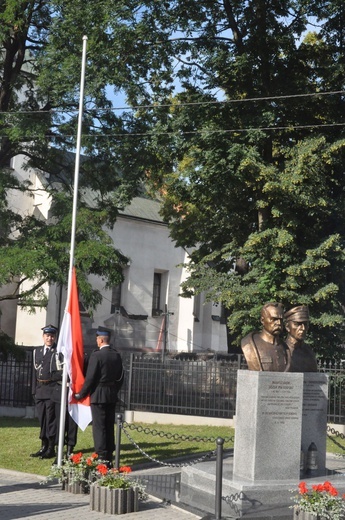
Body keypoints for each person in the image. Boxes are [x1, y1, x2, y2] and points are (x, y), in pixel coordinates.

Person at [74, 328, 124, 466]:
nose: (96, 341)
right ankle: (109, 453)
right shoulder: (116, 355)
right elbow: (120, 377)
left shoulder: (96, 356)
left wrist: (81, 394)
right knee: (109, 425)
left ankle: (101, 455)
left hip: (98, 394)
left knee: (99, 426)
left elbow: (90, 378)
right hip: (111, 394)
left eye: (97, 339)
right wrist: (113, 389)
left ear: (101, 340)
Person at [31, 324, 59, 459]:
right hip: (39, 390)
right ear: (43, 337)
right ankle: (43, 445)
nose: (49, 338)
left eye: (52, 336)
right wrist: (33, 391)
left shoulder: (57, 352)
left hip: (51, 390)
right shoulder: (37, 351)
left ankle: (51, 447)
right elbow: (33, 373)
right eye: (47, 336)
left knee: (50, 420)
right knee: (42, 419)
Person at [241, 302, 290, 371]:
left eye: (281, 320)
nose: (279, 323)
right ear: (262, 320)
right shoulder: (249, 344)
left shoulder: (286, 348)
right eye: (274, 319)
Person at [284, 305, 318, 372]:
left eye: (305, 324)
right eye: (297, 324)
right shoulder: (282, 351)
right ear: (287, 327)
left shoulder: (309, 352)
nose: (303, 328)